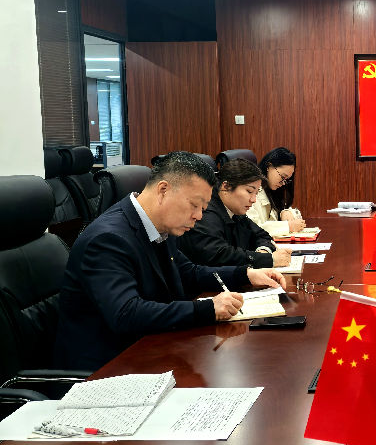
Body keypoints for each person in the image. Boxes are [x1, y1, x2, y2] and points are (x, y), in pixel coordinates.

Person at [54, 151, 287, 371]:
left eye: (203, 208)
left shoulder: (159, 225)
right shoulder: (108, 239)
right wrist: (207, 309)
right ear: (163, 190)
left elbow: (189, 272)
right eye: (194, 205)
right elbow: (126, 313)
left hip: (151, 348)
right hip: (109, 368)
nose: (198, 216)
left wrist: (246, 274)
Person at [179, 159, 292, 268]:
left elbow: (262, 235)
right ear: (226, 186)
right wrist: (264, 260)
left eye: (256, 193)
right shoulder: (205, 212)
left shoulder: (235, 211)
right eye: (249, 191)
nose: (253, 200)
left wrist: (263, 251)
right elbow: (218, 254)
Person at [247, 147, 305, 237]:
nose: (283, 183)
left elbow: (296, 218)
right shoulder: (251, 191)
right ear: (269, 166)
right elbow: (254, 229)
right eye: (282, 177)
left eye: (287, 180)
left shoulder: (273, 190)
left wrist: (286, 212)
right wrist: (288, 226)